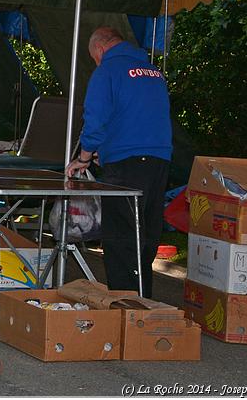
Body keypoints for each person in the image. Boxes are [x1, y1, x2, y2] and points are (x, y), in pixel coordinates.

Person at [65, 26, 172, 297]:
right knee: (145, 235)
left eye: (95, 58)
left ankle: (125, 306)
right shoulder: (153, 73)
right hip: (158, 161)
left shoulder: (108, 70)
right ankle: (142, 299)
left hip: (126, 167)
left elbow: (96, 117)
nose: (97, 63)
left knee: (122, 237)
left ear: (100, 49)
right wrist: (107, 149)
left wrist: (84, 157)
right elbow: (138, 117)